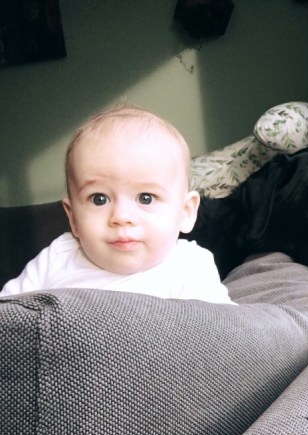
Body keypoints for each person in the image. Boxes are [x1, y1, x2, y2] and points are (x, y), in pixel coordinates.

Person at [0, 105, 235, 304]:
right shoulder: (57, 257)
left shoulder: (188, 265)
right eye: (99, 199)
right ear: (72, 217)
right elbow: (9, 314)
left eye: (146, 198)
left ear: (186, 212)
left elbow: (228, 332)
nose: (121, 217)